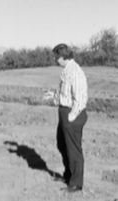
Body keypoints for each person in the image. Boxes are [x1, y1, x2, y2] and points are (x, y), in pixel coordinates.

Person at [44, 43, 88, 193]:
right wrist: (54, 96)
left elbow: (80, 98)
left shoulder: (75, 71)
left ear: (63, 57)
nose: (55, 60)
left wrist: (71, 116)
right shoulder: (66, 70)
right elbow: (65, 94)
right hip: (65, 112)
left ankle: (76, 183)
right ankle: (68, 176)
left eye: (56, 57)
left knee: (73, 149)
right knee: (62, 145)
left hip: (72, 115)